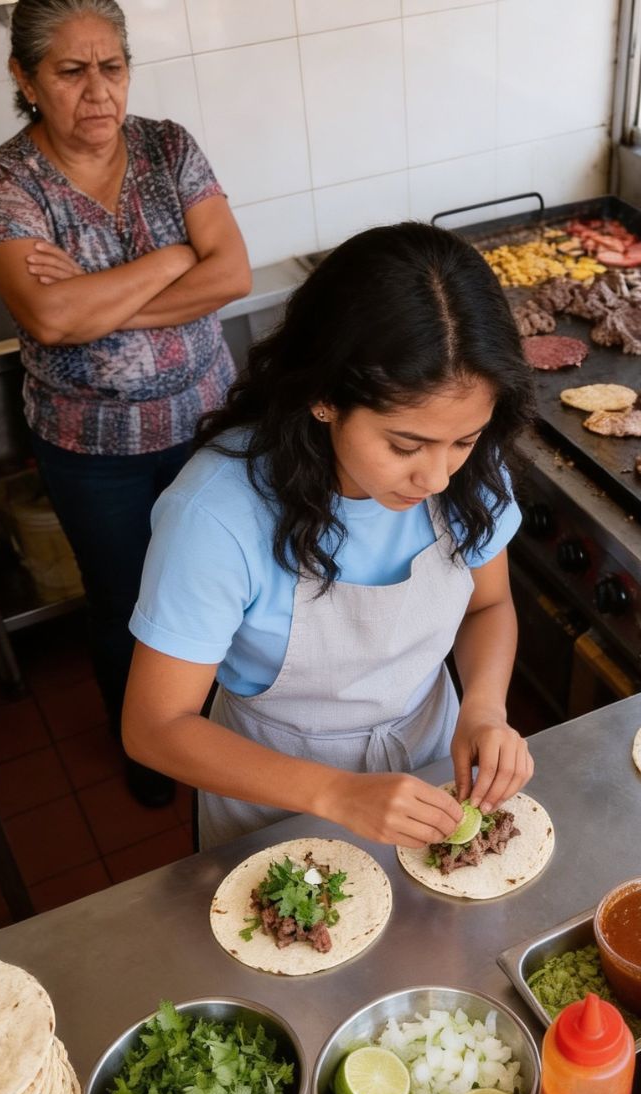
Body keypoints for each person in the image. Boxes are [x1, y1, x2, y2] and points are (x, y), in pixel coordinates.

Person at [122, 222, 536, 850]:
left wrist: (482, 709)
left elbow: (488, 603)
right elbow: (155, 726)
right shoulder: (215, 514)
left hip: (431, 762)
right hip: (277, 798)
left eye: (465, 439)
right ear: (324, 397)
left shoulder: (469, 470)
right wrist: (336, 794)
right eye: (405, 445)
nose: (436, 476)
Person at [0, 0, 251, 807]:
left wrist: (94, 298)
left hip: (207, 424)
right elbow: (48, 317)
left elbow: (230, 275)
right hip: (93, 453)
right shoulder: (9, 180)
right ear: (25, 78)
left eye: (112, 67)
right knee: (128, 604)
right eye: (70, 71)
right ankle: (152, 753)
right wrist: (173, 258)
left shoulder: (169, 146)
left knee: (222, 584)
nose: (97, 92)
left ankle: (222, 735)